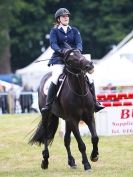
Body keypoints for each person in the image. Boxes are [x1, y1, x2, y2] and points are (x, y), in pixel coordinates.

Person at [41, 8, 104, 115]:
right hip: (59, 59)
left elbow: (79, 43)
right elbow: (53, 44)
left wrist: (77, 51)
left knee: (89, 77)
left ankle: (95, 102)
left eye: (67, 16)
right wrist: (62, 51)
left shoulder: (74, 30)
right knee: (56, 77)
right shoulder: (54, 31)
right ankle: (48, 104)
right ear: (58, 19)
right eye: (63, 16)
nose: (66, 18)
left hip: (74, 59)